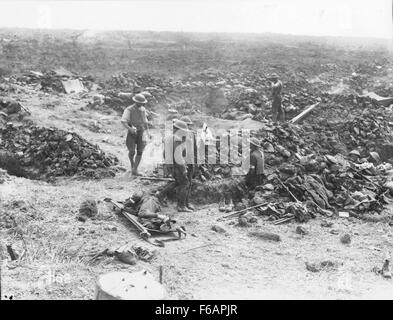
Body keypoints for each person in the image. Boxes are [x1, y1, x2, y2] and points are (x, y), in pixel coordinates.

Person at [162, 119, 194, 212]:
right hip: (177, 166)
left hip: (173, 165)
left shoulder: (170, 138)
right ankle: (181, 206)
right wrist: (184, 169)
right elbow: (179, 157)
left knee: (179, 183)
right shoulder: (177, 140)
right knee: (184, 184)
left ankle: (161, 195)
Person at [121, 93, 149, 176]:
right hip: (132, 132)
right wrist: (130, 129)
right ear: (136, 102)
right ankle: (132, 165)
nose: (142, 104)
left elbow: (145, 122)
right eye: (140, 103)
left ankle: (135, 169)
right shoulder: (129, 109)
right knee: (132, 151)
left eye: (143, 103)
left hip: (141, 132)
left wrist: (148, 133)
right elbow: (123, 121)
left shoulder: (143, 110)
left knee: (140, 151)